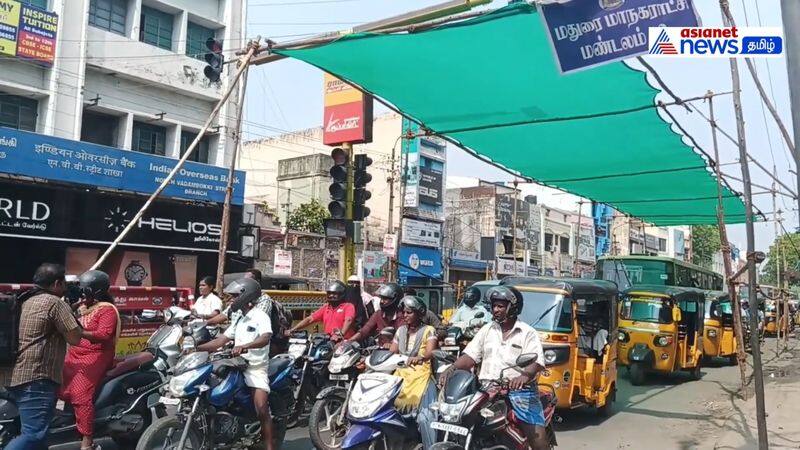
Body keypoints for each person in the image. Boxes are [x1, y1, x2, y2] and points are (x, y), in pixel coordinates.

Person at [439, 286, 548, 450]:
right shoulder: (487, 329)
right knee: (460, 418)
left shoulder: (527, 332)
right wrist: (451, 368)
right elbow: (470, 356)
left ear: (513, 308)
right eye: (494, 306)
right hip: (486, 390)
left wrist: (524, 377)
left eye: (500, 306)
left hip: (520, 391)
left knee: (535, 433)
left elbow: (536, 361)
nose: (495, 310)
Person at [0, 263, 83, 450]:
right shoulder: (54, 303)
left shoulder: (23, 299)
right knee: (34, 434)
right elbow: (75, 337)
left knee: (34, 435)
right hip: (36, 378)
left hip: (11, 374)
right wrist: (71, 311)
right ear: (56, 283)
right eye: (64, 284)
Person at [196, 278, 275, 450]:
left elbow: (265, 337)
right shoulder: (239, 318)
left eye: (233, 297)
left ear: (245, 297)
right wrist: (196, 348)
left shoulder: (260, 316)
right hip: (235, 364)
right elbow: (221, 340)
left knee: (261, 408)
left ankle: (269, 446)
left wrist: (245, 346)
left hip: (255, 367)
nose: (230, 300)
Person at [60, 270, 121, 450]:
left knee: (80, 394)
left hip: (96, 355)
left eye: (84, 289)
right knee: (58, 385)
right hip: (75, 353)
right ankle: (70, 422)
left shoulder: (107, 310)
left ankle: (87, 441)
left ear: (96, 291)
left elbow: (104, 335)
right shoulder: (82, 306)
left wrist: (80, 332)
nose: (81, 292)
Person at [390, 295, 438, 449]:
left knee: (426, 417)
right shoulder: (400, 331)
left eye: (409, 312)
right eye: (403, 312)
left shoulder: (429, 330)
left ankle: (431, 446)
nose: (405, 315)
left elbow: (431, 352)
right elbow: (392, 351)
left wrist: (419, 357)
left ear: (419, 313)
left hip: (422, 375)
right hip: (401, 374)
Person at [206, 269, 291, 355]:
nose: (232, 299)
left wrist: (244, 346)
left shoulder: (263, 303)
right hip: (240, 348)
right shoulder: (239, 309)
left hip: (258, 348)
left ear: (257, 282)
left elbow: (258, 329)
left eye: (248, 280)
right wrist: (205, 323)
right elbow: (225, 315)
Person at [285, 280, 355, 340]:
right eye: (329, 293)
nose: (331, 296)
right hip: (328, 340)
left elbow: (348, 320)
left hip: (344, 342)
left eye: (334, 293)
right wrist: (293, 330)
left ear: (341, 294)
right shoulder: (326, 307)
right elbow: (310, 319)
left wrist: (341, 334)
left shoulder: (348, 306)